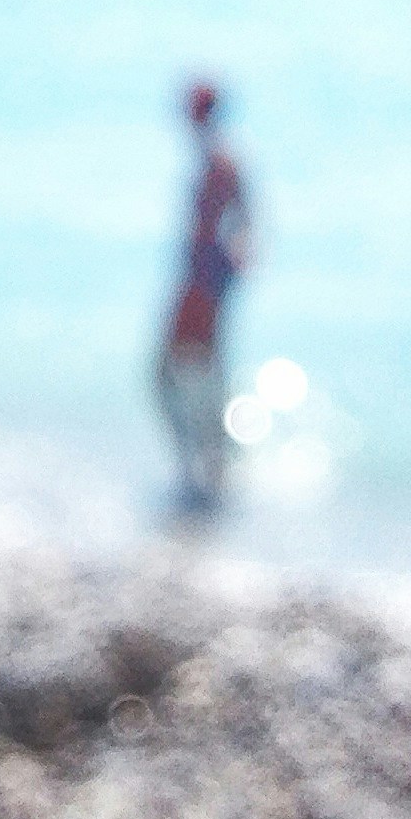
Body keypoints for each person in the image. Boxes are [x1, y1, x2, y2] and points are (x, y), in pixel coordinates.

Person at [155, 77, 251, 510]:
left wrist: (218, 278)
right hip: (201, 283)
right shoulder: (216, 160)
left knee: (172, 375)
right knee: (197, 376)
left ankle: (205, 472)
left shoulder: (221, 163)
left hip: (203, 286)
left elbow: (243, 225)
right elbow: (244, 226)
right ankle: (206, 470)